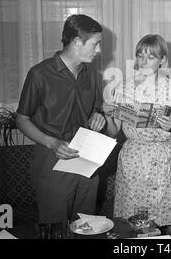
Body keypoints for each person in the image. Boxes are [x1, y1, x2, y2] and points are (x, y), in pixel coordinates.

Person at [16, 14, 106, 224]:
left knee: (86, 226)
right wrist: (52, 142)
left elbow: (97, 108)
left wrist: (98, 115)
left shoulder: (90, 73)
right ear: (77, 42)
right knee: (55, 229)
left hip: (87, 160)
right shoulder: (39, 74)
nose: (99, 50)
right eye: (96, 44)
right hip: (52, 160)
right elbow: (21, 119)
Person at [103, 34, 171, 239]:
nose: (144, 61)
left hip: (165, 161)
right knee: (136, 230)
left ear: (162, 61)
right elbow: (113, 132)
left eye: (150, 57)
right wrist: (108, 115)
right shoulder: (123, 87)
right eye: (140, 56)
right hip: (134, 160)